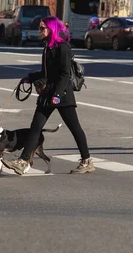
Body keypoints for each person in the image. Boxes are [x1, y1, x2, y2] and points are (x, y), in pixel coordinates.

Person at [6, 16, 94, 175]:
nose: (39, 31)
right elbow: (47, 73)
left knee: (75, 128)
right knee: (35, 127)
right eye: (39, 28)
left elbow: (65, 74)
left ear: (51, 29)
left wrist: (58, 95)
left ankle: (86, 160)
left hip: (61, 95)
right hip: (48, 93)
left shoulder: (63, 47)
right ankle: (23, 161)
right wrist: (30, 78)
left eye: (42, 28)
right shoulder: (48, 47)